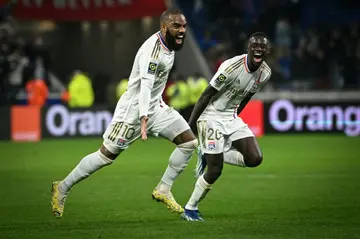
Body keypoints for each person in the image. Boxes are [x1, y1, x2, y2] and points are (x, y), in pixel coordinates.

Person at [51, 9, 198, 218]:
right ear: (164, 27)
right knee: (105, 156)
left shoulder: (171, 46)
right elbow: (146, 86)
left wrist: (152, 111)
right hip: (134, 111)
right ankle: (62, 187)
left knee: (189, 143)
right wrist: (144, 117)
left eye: (184, 26)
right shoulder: (153, 52)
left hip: (156, 106)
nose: (182, 30)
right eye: (176, 26)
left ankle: (164, 189)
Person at [181, 32, 272, 221]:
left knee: (255, 158)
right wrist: (191, 126)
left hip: (230, 116)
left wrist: (234, 118)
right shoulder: (231, 66)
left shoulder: (265, 73)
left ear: (267, 51)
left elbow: (247, 96)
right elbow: (206, 95)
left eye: (262, 47)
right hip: (210, 114)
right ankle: (190, 208)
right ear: (248, 47)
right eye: (254, 45)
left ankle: (210, 150)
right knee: (215, 169)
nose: (258, 49)